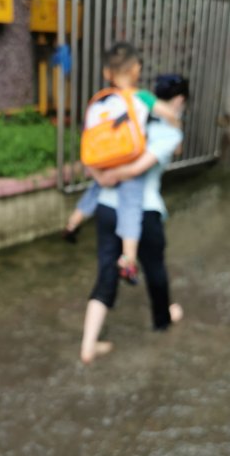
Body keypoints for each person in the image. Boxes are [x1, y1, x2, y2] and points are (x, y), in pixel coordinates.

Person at [80, 73, 189, 364]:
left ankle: (88, 344)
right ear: (179, 101)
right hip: (145, 212)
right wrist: (175, 123)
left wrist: (103, 177)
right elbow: (139, 168)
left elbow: (97, 154)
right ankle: (162, 321)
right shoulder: (167, 132)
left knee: (106, 272)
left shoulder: (129, 120)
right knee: (154, 270)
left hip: (106, 207)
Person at [63, 42, 180, 284]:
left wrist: (98, 173)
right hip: (128, 159)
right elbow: (169, 114)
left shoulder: (101, 101)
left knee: (96, 188)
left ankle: (73, 221)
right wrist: (176, 130)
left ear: (107, 73)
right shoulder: (141, 96)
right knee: (131, 206)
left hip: (104, 161)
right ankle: (128, 259)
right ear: (136, 69)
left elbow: (89, 138)